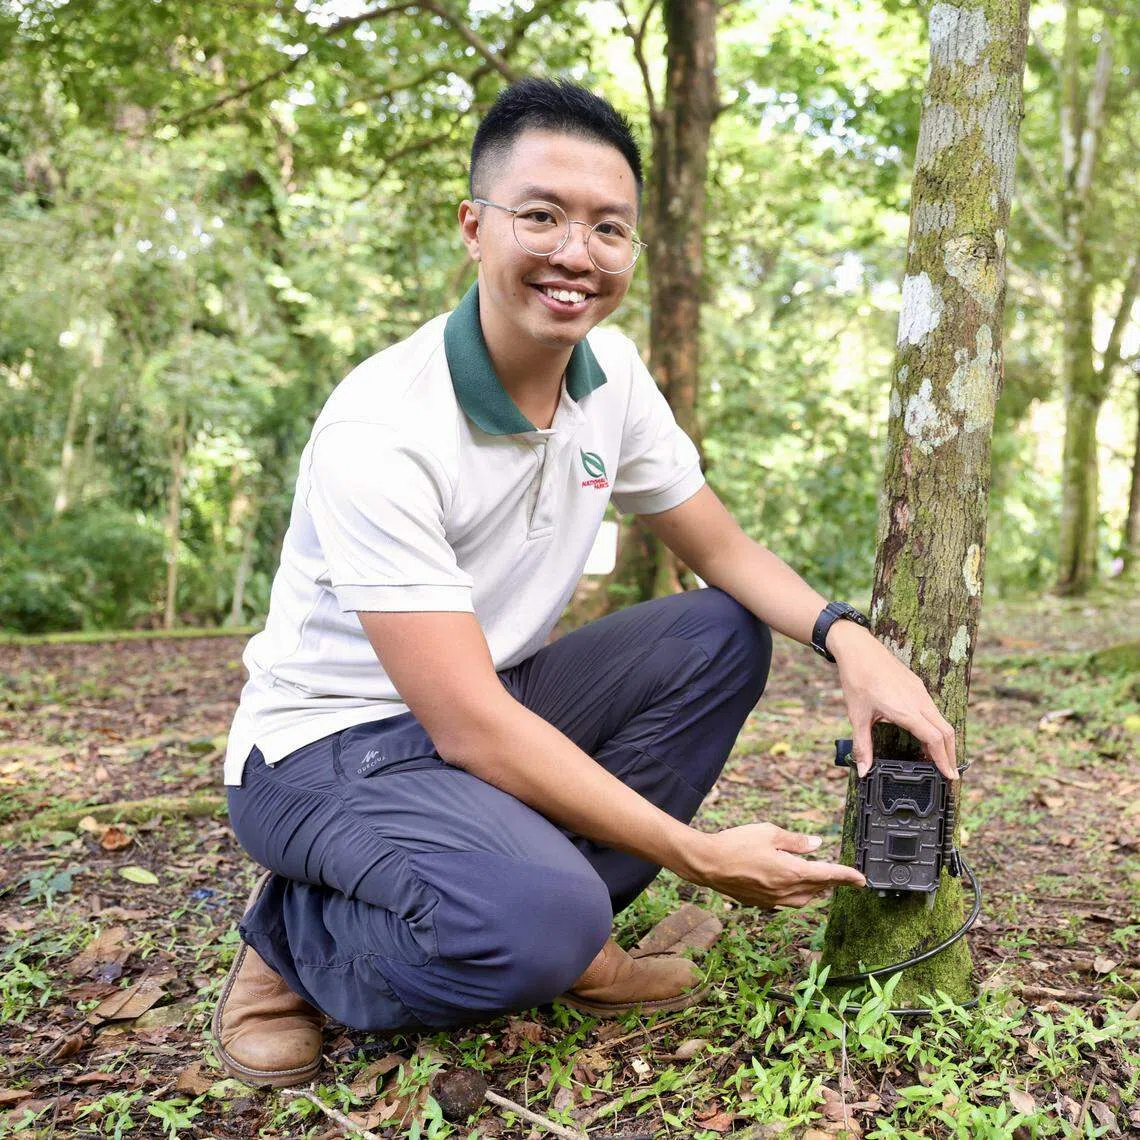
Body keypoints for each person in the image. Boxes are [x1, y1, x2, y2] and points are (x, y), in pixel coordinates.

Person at [213, 77, 958, 1088]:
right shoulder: (382, 432)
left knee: (718, 633)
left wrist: (848, 638)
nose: (575, 252)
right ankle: (296, 941)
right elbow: (469, 725)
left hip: (489, 700)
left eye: (608, 227)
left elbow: (724, 551)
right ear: (475, 227)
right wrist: (697, 856)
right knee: (537, 926)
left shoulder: (610, 378)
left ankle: (552, 922)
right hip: (327, 750)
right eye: (542, 217)